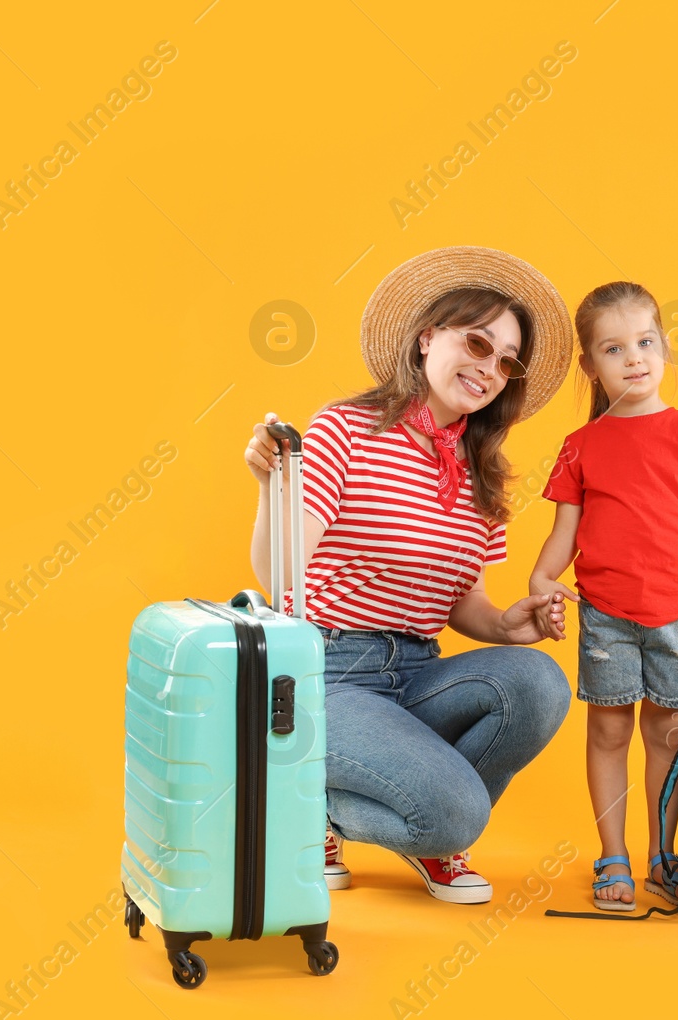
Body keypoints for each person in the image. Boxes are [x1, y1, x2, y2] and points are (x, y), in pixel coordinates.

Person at [242, 246, 575, 904]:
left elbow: (464, 604)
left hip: (420, 671)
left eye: (505, 361)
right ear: (428, 338)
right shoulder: (348, 427)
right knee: (457, 812)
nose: (488, 368)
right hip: (328, 674)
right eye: (477, 342)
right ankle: (338, 812)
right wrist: (274, 489)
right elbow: (282, 574)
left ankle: (428, 824)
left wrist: (510, 624)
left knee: (540, 683)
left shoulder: (483, 474)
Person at [528, 280, 678, 911]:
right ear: (590, 365)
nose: (635, 358)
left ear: (665, 347)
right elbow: (562, 534)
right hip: (606, 616)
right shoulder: (583, 446)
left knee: (668, 734)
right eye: (614, 348)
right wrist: (542, 582)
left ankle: (662, 853)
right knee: (607, 732)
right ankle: (613, 855)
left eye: (646, 342)